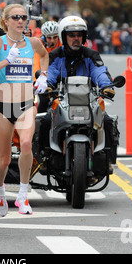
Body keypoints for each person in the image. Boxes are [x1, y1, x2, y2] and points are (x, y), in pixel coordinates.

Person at [0, 4, 49, 217]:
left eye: (23, 17)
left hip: (26, 103)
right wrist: (7, 61)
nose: (20, 20)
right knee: (4, 159)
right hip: (2, 105)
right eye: (15, 17)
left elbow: (44, 56)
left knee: (26, 144)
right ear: (5, 20)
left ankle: (23, 195)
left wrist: (43, 75)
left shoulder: (33, 42)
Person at [39, 15, 118, 169]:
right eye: (71, 35)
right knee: (46, 120)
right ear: (63, 36)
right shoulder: (55, 55)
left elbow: (99, 71)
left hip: (88, 101)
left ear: (84, 37)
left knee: (107, 121)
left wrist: (107, 86)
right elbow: (51, 71)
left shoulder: (91, 54)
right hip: (62, 100)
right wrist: (47, 84)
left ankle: (106, 160)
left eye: (79, 35)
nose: (76, 39)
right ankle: (44, 157)